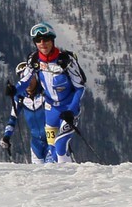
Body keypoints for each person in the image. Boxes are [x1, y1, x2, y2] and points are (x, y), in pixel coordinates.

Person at [17, 21, 86, 164]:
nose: (43, 43)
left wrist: (71, 111)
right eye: (38, 40)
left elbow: (80, 87)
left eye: (46, 39)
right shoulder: (34, 60)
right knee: (53, 150)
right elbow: (25, 80)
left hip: (68, 108)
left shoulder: (66, 60)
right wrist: (15, 89)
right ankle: (65, 176)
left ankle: (68, 174)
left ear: (52, 39)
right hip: (51, 110)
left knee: (61, 145)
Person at [0, 60, 48, 164]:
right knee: (40, 176)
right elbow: (13, 119)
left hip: (51, 139)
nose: (29, 82)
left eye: (31, 78)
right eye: (25, 78)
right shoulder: (20, 97)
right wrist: (7, 136)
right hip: (36, 143)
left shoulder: (45, 92)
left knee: (55, 171)